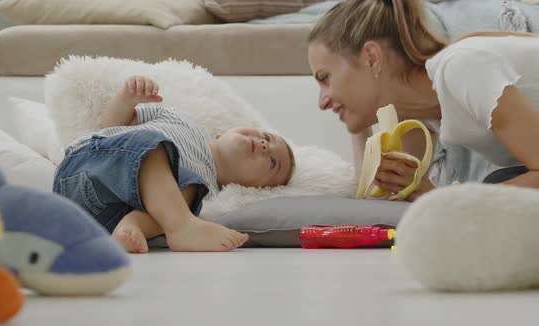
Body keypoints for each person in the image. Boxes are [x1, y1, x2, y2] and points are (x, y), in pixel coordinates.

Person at [307, 0, 539, 201]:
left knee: (490, 190)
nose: (322, 102)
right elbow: (379, 197)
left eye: (325, 78)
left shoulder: (461, 69)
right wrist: (356, 123)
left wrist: (438, 196)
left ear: (371, 58)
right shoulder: (416, 111)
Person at [53, 76, 296, 253]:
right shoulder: (178, 120)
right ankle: (181, 229)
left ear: (254, 187)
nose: (264, 146)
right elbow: (110, 128)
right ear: (223, 134)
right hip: (86, 169)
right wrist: (127, 100)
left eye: (272, 162)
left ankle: (131, 228)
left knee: (184, 194)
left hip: (101, 219)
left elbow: (174, 198)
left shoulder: (205, 192)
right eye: (265, 137)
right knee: (154, 145)